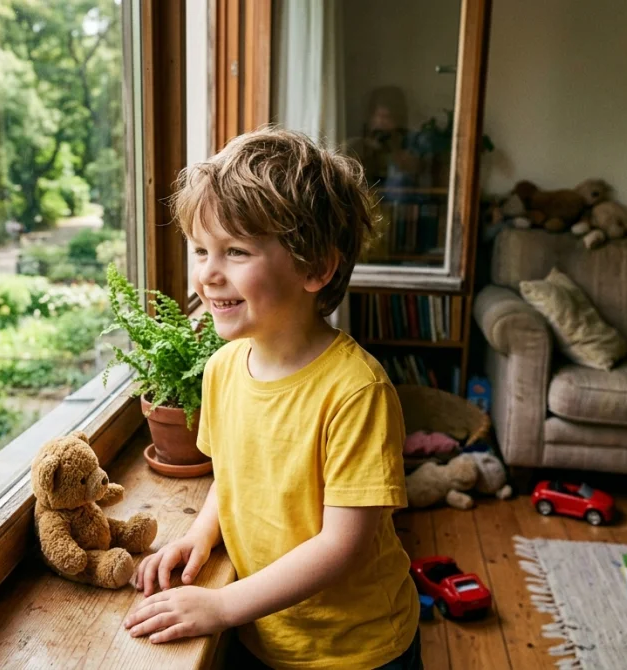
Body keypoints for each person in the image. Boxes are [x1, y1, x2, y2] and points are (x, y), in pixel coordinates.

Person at [124, 128, 421, 670]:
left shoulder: (357, 391)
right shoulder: (222, 369)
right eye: (200, 250)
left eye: (235, 251)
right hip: (263, 633)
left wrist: (222, 604)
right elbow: (230, 478)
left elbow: (343, 546)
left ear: (316, 268)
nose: (208, 274)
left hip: (357, 650)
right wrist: (199, 535)